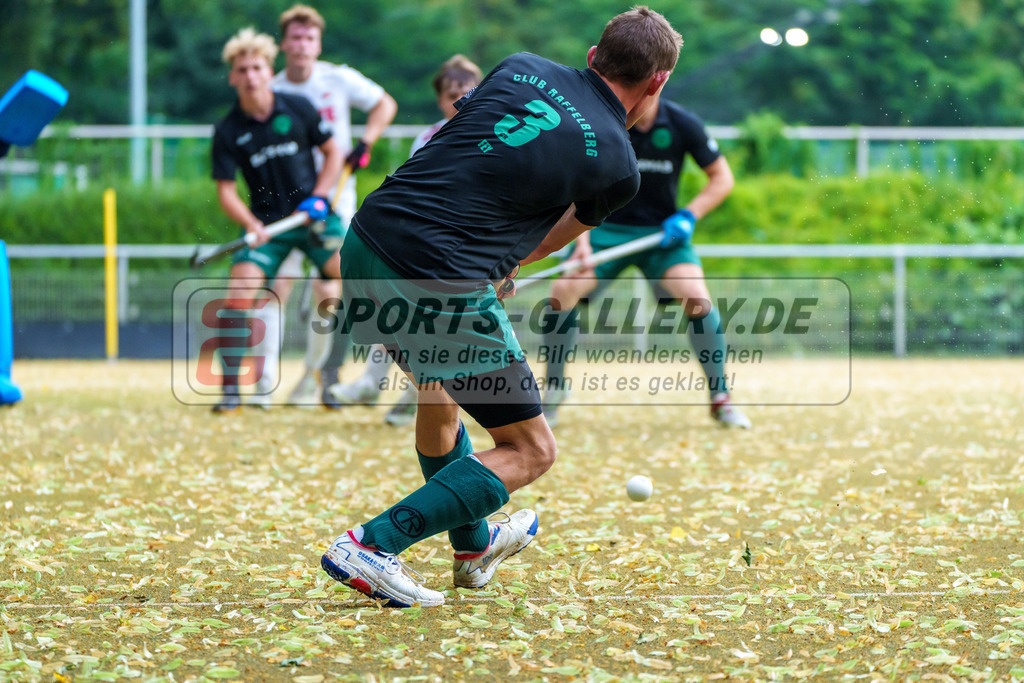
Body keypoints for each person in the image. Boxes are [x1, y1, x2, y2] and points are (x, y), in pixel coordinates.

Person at [319, 7, 683, 607]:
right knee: (531, 449)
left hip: (366, 241)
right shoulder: (617, 163)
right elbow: (551, 238)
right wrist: (492, 264)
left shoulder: (520, 67)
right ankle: (373, 544)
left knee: (438, 402)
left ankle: (472, 546)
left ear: (594, 54)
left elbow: (468, 150)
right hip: (439, 275)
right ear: (657, 81)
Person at [542, 93, 752, 429]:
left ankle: (720, 398)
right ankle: (554, 388)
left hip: (662, 235)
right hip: (601, 228)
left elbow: (722, 178)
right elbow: (577, 186)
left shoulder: (683, 123)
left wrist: (689, 215)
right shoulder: (601, 121)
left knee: (697, 298)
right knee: (562, 291)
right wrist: (579, 242)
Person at [247, 4, 398, 409]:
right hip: (287, 207)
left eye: (309, 38)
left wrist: (366, 140)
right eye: (295, 38)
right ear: (283, 44)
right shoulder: (273, 89)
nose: (302, 45)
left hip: (335, 202)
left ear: (318, 44)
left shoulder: (338, 78)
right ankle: (264, 382)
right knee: (275, 287)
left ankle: (315, 378)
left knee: (328, 289)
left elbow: (385, 104)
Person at [327, 54, 484, 426]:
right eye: (452, 93)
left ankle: (411, 396)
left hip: (468, 243)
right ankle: (377, 384)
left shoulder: (493, 131)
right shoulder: (427, 137)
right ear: (440, 98)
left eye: (468, 90)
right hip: (429, 238)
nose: (460, 98)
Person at [209, 26, 343, 413]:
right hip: (267, 226)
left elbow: (333, 152)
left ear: (270, 70)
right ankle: (231, 390)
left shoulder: (297, 107)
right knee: (240, 290)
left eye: (257, 67)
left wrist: (320, 196)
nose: (250, 76)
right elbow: (226, 191)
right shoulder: (228, 130)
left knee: (349, 280)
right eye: (242, 69)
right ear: (233, 76)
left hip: (313, 216)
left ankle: (329, 381)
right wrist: (251, 225)